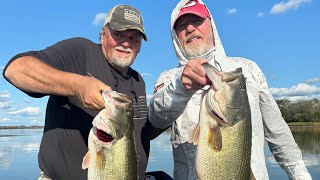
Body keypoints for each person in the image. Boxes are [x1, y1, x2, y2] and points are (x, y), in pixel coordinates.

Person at [148, 0, 312, 179]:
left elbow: (278, 132)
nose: (189, 29)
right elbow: (156, 118)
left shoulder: (248, 69)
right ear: (175, 37)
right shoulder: (169, 79)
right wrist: (181, 87)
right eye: (181, 25)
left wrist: (300, 174)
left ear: (212, 26)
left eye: (197, 21)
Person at [3, 4, 152, 180]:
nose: (126, 43)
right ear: (103, 34)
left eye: (134, 38)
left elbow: (142, 133)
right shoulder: (81, 51)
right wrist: (77, 85)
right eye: (118, 34)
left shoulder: (138, 81)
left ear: (140, 45)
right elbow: (15, 70)